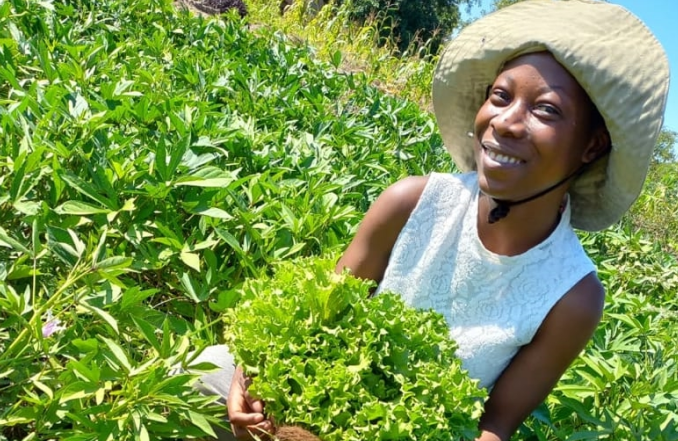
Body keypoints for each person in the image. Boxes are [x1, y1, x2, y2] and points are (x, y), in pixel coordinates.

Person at [194, 1, 670, 440]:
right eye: (500, 97)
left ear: (591, 146)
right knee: (202, 373)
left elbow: (494, 425)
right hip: (288, 407)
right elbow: (310, 320)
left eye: (545, 109)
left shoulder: (573, 296)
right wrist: (252, 379)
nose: (505, 121)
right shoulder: (410, 201)